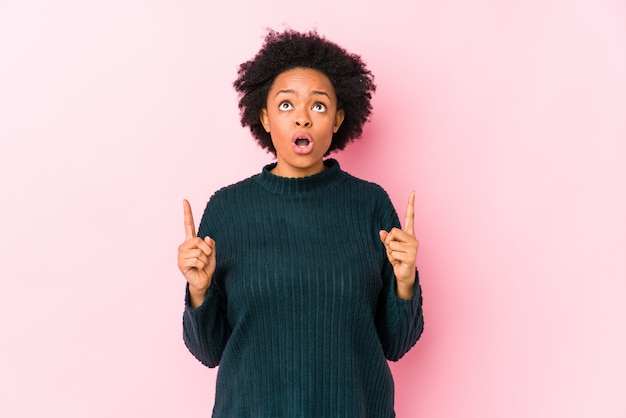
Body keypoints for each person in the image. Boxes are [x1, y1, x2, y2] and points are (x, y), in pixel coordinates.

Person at [177, 29, 424, 417]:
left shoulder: (371, 205)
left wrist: (405, 281)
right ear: (264, 116)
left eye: (319, 106)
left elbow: (397, 344)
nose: (304, 118)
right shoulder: (227, 209)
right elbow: (208, 352)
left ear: (339, 119)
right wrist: (199, 291)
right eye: (287, 105)